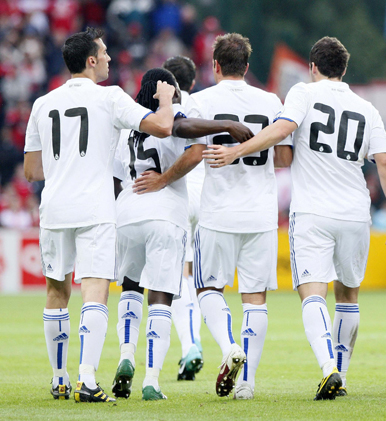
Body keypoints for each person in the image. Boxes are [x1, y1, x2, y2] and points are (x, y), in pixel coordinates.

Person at [201, 36, 386, 400]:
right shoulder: (367, 107)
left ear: (313, 67)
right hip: (355, 212)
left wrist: (238, 151)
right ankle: (339, 372)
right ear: (343, 69)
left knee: (312, 292)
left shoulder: (303, 93)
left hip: (312, 211)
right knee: (348, 294)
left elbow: (282, 132)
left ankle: (328, 367)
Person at [133, 33, 293, 400]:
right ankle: (248, 383)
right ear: (248, 67)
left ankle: (227, 346)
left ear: (215, 65)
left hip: (218, 211)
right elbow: (284, 160)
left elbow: (189, 152)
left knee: (207, 288)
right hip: (261, 213)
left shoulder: (202, 101)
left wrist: (162, 180)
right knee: (256, 298)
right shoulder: (270, 101)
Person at [23, 27, 175, 403]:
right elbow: (162, 126)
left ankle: (59, 380)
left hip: (55, 207)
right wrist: (167, 99)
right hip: (94, 208)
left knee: (57, 291)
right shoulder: (110, 98)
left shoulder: (43, 103)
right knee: (94, 290)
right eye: (104, 53)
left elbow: (31, 170)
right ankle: (86, 379)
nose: (109, 58)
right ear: (91, 60)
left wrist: (67, 165)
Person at [111, 67, 254, 400]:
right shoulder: (171, 116)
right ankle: (151, 379)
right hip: (165, 215)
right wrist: (163, 179)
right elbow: (189, 144)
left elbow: (119, 173)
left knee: (130, 289)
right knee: (161, 297)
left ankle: (125, 356)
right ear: (168, 92)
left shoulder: (129, 127)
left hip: (128, 212)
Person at [163, 55, 205, 381]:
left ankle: (190, 344)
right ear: (192, 81)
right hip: (207, 198)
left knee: (178, 279)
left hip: (176, 195)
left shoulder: (160, 106)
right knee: (201, 280)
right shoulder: (204, 103)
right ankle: (193, 345)